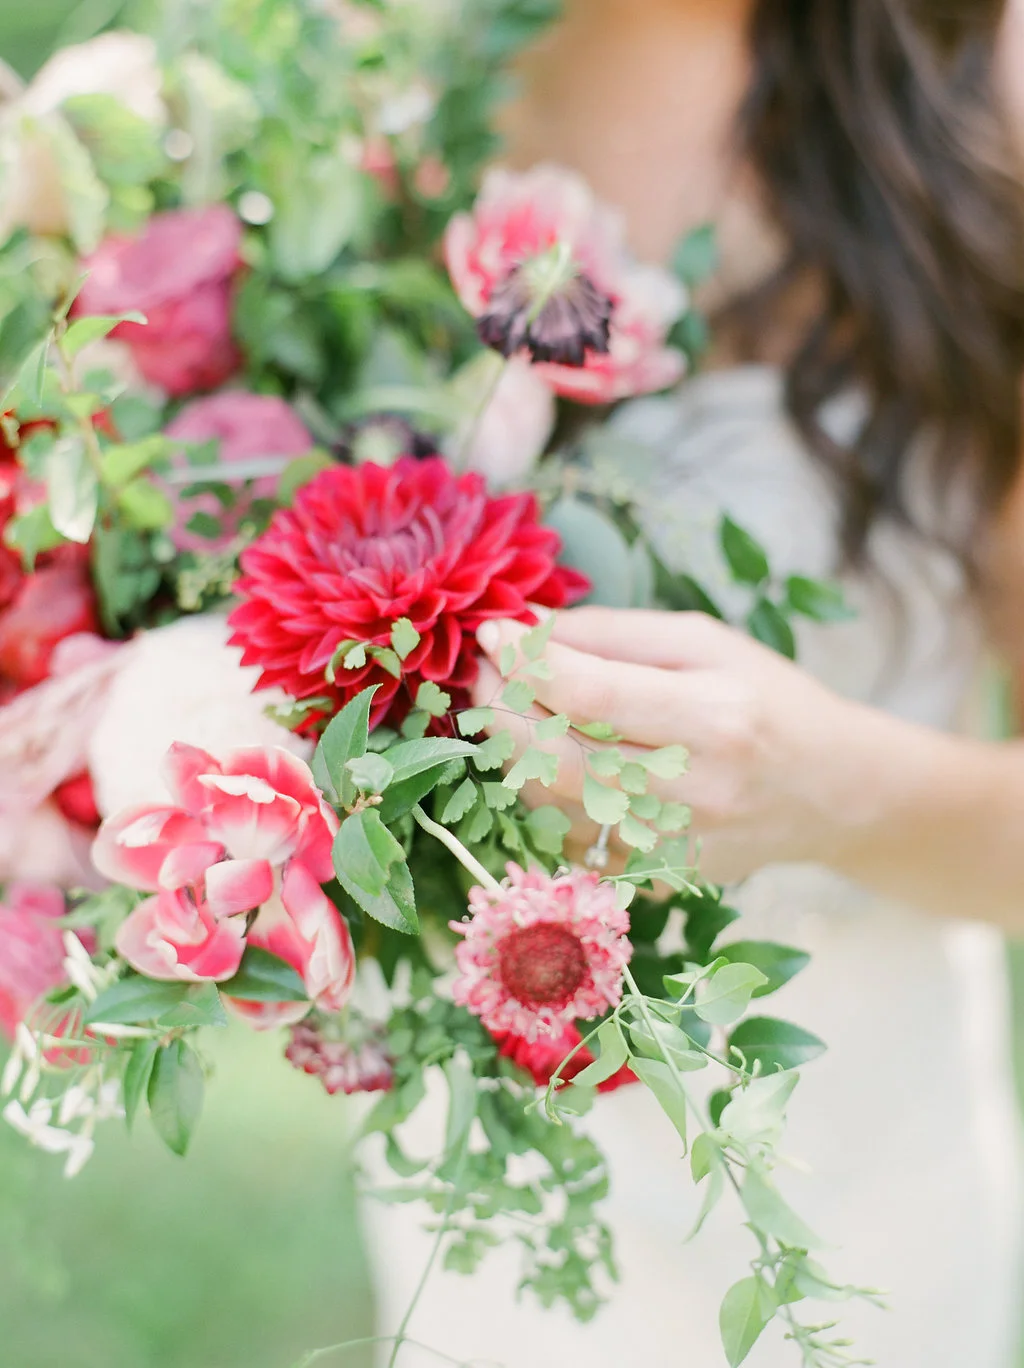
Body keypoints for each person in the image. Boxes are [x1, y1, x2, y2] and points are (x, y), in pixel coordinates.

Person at [367, 2, 1024, 1363]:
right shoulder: (370, 81)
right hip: (477, 1218)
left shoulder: (984, 95)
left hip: (852, 1221)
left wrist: (826, 792)